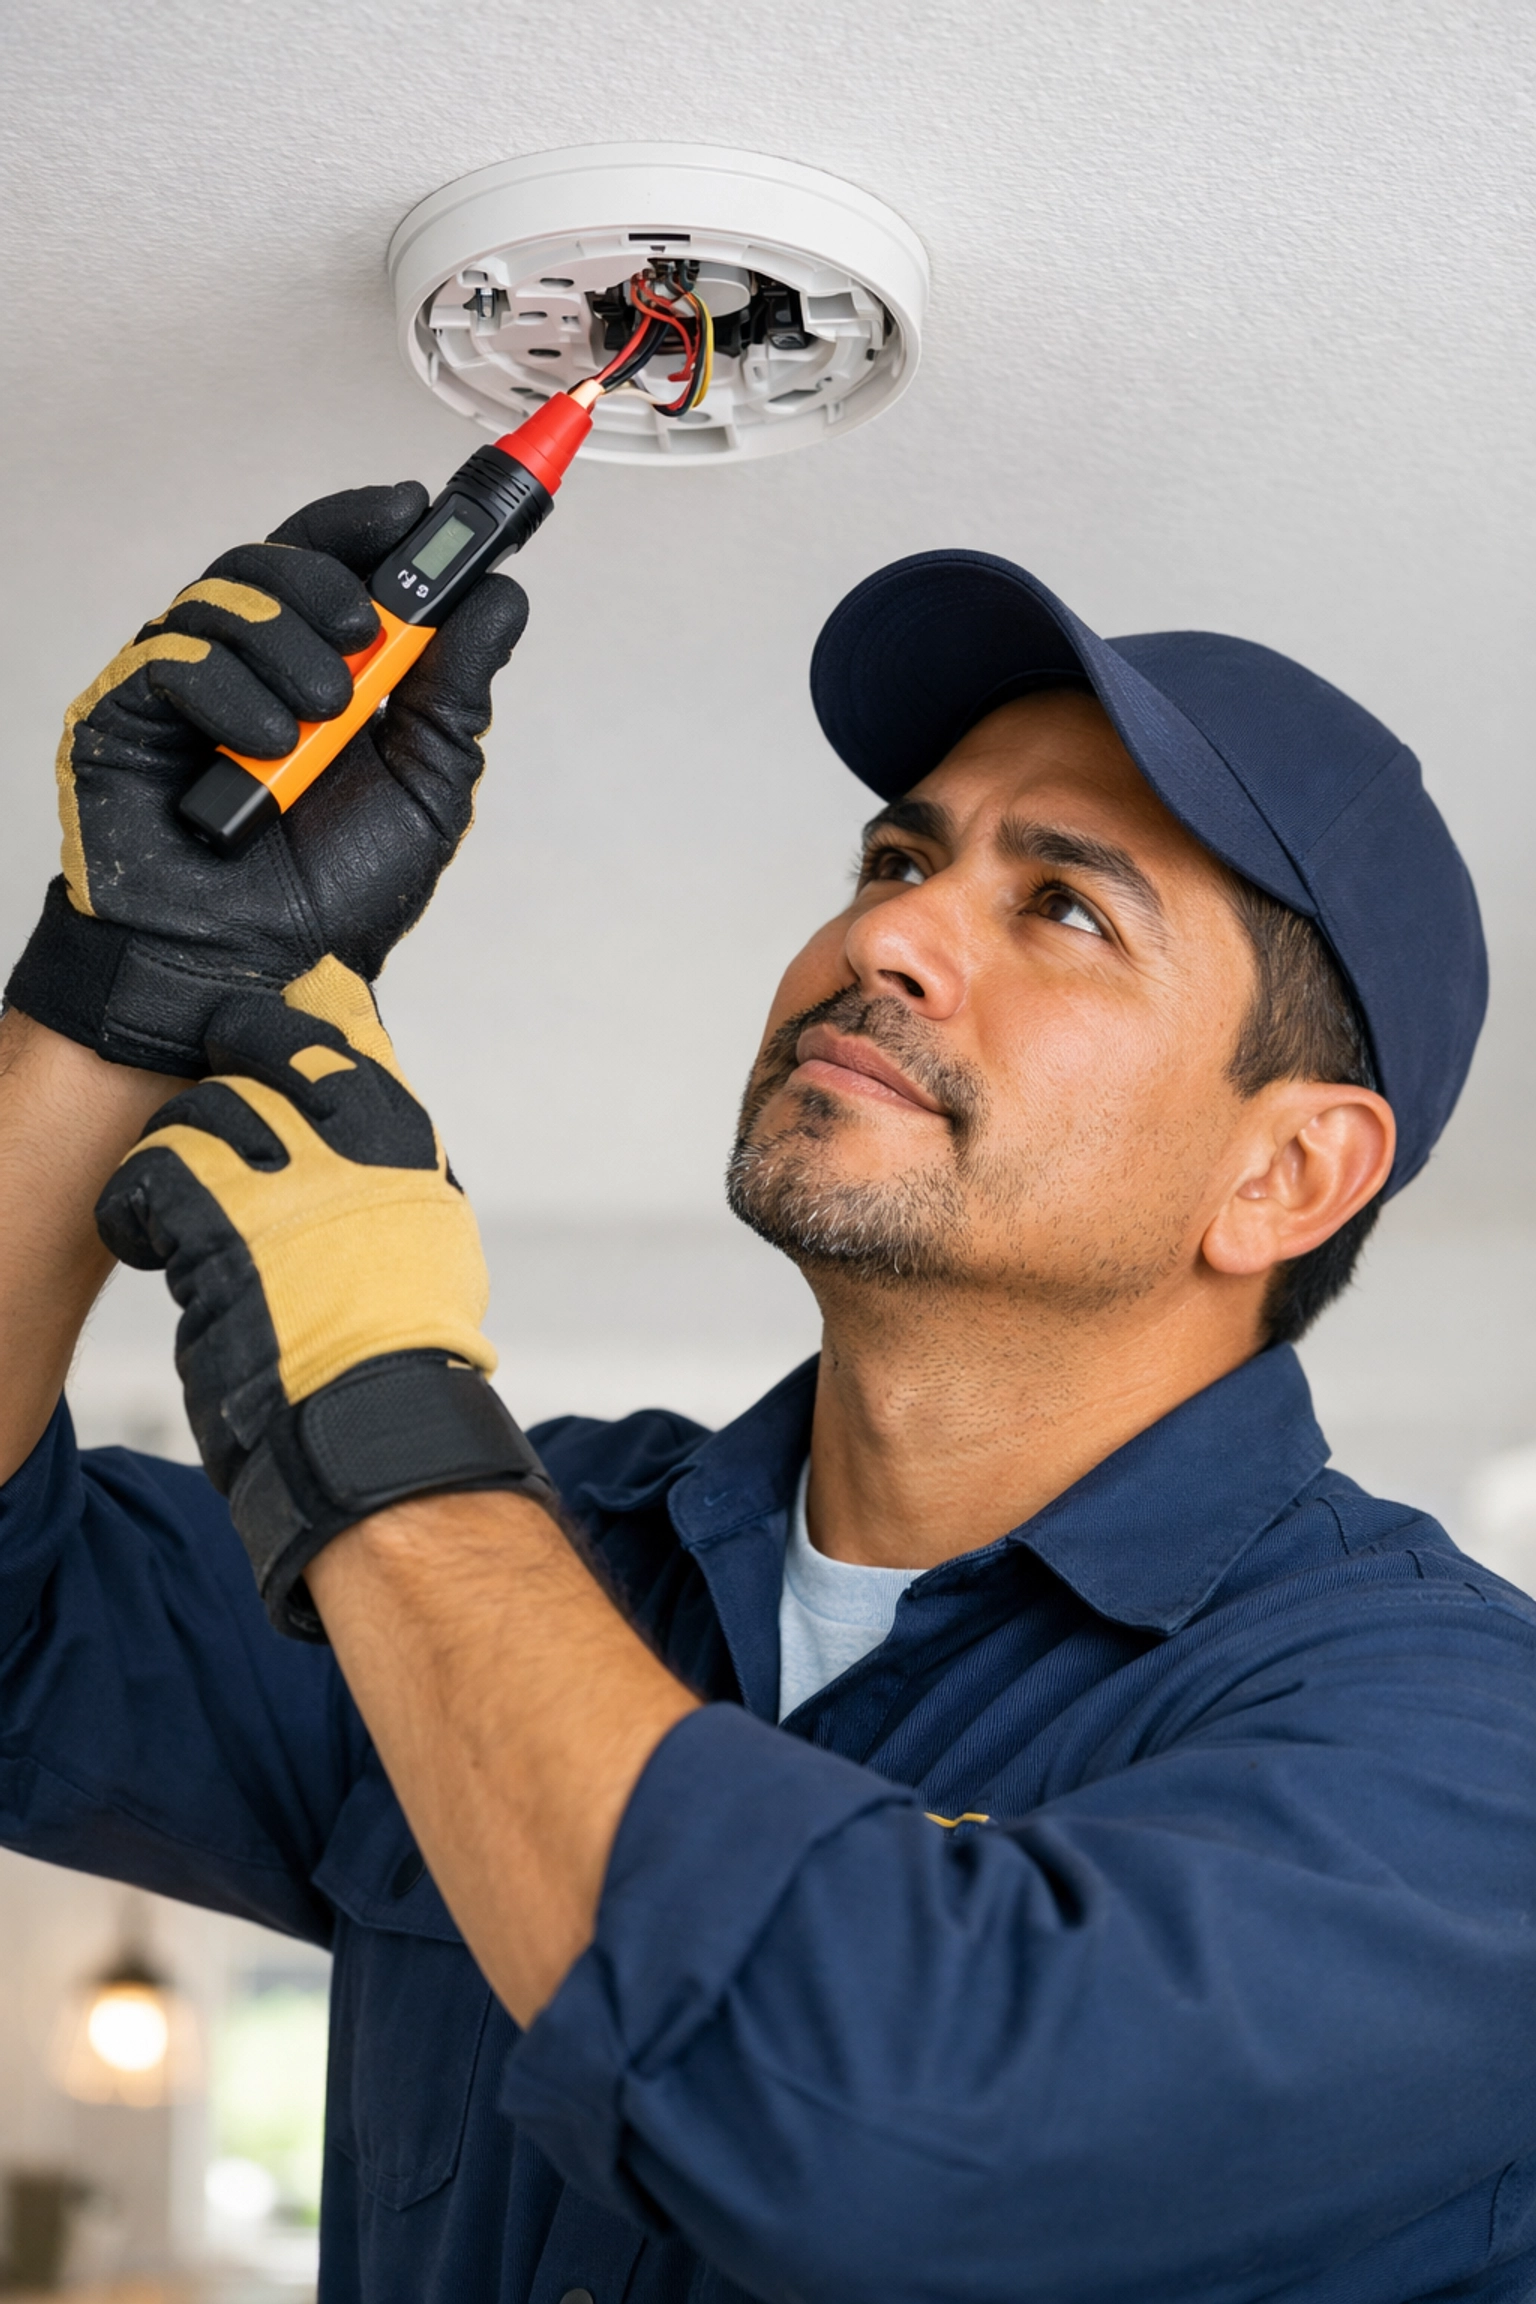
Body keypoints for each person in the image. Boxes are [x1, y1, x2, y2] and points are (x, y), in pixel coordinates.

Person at [0, 490, 1531, 2304]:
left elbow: (880, 2124)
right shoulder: (556, 1550)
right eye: (900, 862)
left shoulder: (1458, 1752)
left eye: (1059, 905)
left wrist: (378, 1416)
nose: (885, 940)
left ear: (1285, 1177)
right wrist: (132, 991)